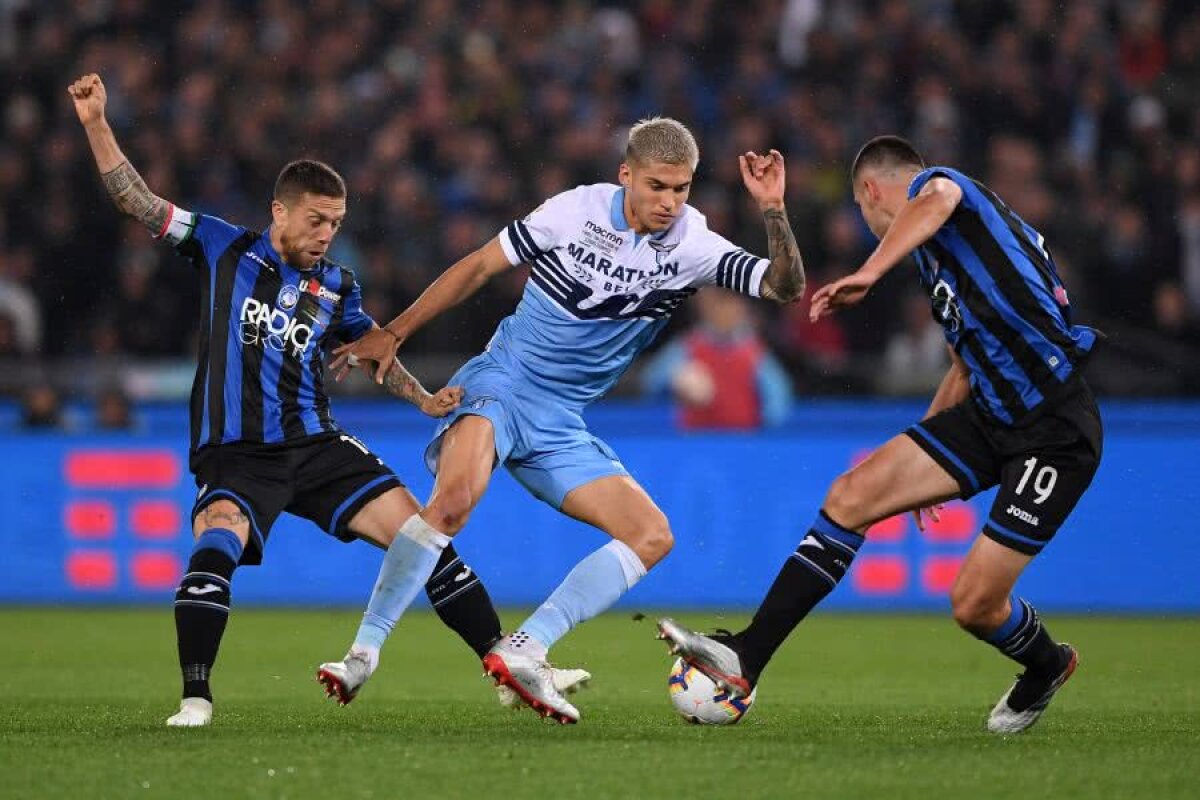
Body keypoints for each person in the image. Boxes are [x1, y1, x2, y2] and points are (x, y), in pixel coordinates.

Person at [67, 73, 588, 728]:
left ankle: (505, 664)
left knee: (423, 536)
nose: (325, 234)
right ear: (279, 211)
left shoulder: (337, 286)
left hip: (317, 448)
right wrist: (95, 123)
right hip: (238, 453)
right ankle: (195, 697)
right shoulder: (224, 248)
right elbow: (137, 201)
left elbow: (372, 353)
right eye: (315, 221)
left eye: (335, 224)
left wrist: (424, 401)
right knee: (216, 545)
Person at [320, 117, 805, 724]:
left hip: (559, 423)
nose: (670, 202)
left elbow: (786, 287)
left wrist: (774, 210)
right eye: (657, 186)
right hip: (501, 381)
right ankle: (364, 651)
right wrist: (394, 332)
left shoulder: (693, 246)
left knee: (652, 535)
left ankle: (528, 646)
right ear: (626, 175)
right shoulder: (574, 212)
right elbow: (476, 268)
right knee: (455, 501)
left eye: (682, 189)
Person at [658, 135, 1103, 735]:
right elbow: (963, 362)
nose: (870, 228)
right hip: (987, 416)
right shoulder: (940, 257)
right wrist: (924, 455)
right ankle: (747, 655)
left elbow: (938, 194)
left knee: (974, 605)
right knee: (850, 497)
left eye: (865, 215)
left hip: (1054, 428)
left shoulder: (946, 190)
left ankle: (1047, 663)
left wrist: (867, 272)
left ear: (872, 191)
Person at [640, 287, 792, 430]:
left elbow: (777, 402)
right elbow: (651, 381)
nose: (725, 313)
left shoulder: (756, 353)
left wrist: (766, 429)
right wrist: (676, 380)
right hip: (694, 438)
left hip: (743, 440)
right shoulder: (687, 347)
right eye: (719, 306)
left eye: (731, 306)